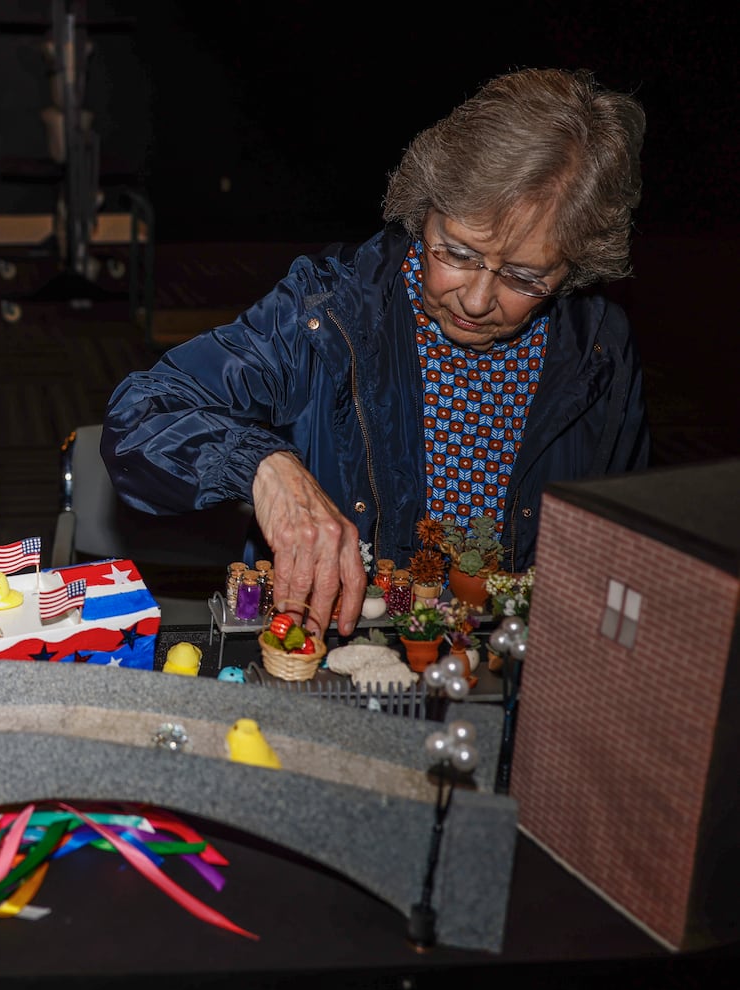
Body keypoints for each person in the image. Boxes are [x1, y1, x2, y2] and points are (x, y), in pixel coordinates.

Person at [103, 68, 648, 635]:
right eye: (457, 253)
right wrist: (263, 465)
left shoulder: (601, 350)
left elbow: (625, 548)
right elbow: (141, 416)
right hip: (338, 655)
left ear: (577, 267)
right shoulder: (331, 310)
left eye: (525, 277)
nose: (479, 298)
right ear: (423, 210)